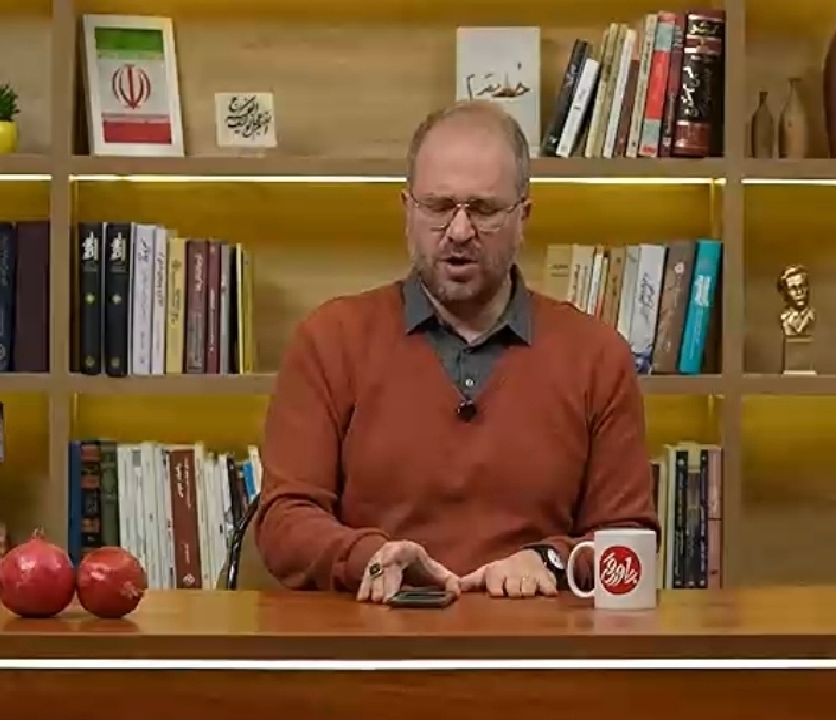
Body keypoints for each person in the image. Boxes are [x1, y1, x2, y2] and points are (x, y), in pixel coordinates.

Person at [253, 99, 659, 603]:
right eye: (439, 207)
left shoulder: (596, 356)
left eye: (484, 209)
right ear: (408, 211)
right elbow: (284, 520)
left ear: (523, 217)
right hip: (374, 638)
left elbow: (629, 538)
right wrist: (370, 559)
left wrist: (550, 560)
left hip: (539, 639)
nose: (460, 231)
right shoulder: (330, 340)